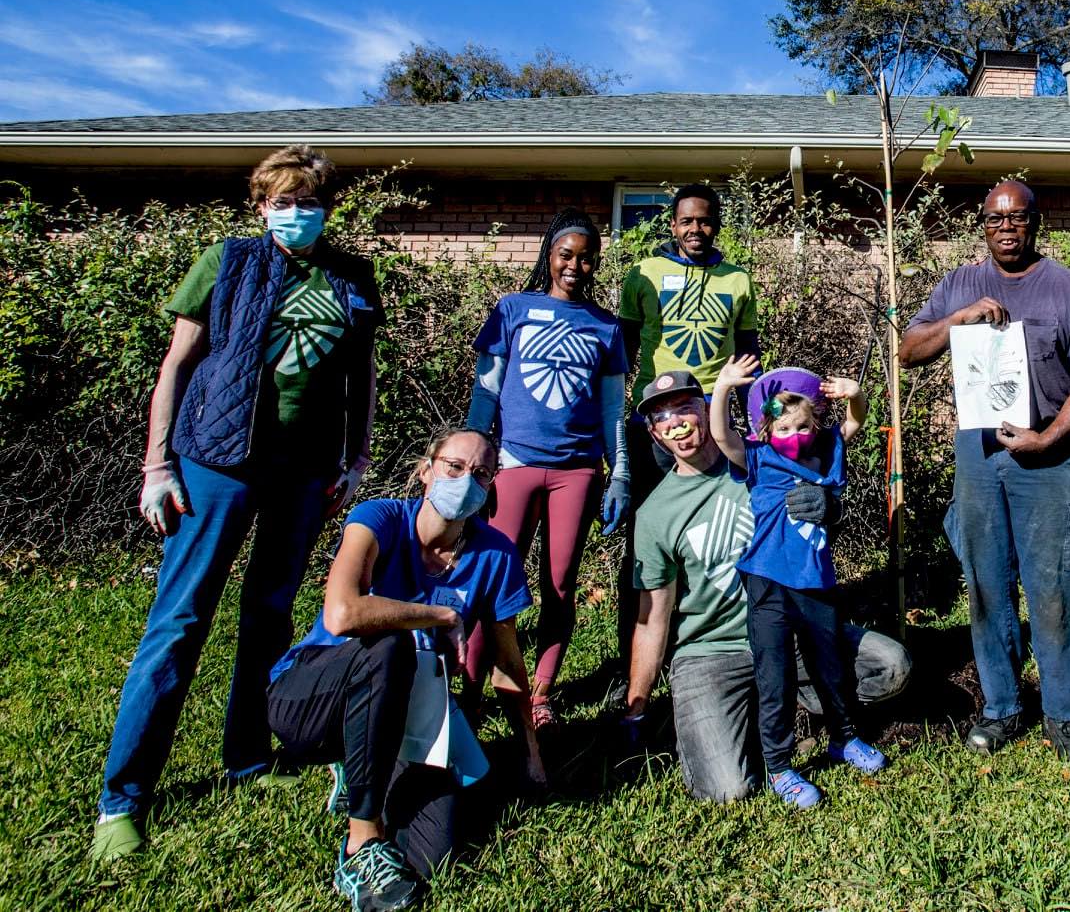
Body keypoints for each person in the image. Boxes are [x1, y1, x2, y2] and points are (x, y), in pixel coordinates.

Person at [92, 144, 382, 861]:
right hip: (215, 460)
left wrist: (357, 455)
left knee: (269, 614)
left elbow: (362, 377)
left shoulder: (352, 276)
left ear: (328, 209)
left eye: (307, 201)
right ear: (261, 206)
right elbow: (178, 363)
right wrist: (157, 462)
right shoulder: (227, 263)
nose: (294, 213)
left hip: (305, 469)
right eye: (280, 201)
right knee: (180, 620)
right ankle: (122, 796)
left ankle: (247, 756)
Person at [267, 427, 547, 912]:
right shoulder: (377, 518)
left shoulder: (496, 555)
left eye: (481, 473)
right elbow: (343, 613)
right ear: (426, 470)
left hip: (413, 709)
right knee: (391, 647)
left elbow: (507, 662)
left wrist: (531, 754)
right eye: (454, 467)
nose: (466, 480)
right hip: (310, 698)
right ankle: (361, 843)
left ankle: (362, 772)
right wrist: (440, 615)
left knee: (436, 850)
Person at [900, 180, 1070, 767]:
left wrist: (1049, 436)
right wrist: (961, 318)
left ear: (1034, 223)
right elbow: (909, 348)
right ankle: (1001, 707)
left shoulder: (1066, 290)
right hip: (979, 457)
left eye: (1017, 218)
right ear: (983, 224)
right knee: (987, 585)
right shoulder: (961, 284)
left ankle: (1063, 715)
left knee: (1053, 590)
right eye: (996, 219)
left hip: (1048, 459)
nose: (1006, 228)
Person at [624, 371, 911, 803]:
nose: (677, 422)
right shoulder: (655, 514)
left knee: (891, 665)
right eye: (663, 415)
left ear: (705, 410)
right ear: (653, 431)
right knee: (728, 789)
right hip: (713, 652)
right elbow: (652, 621)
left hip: (794, 630)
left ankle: (811, 719)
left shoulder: (766, 455)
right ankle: (731, 723)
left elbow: (826, 460)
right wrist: (637, 705)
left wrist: (832, 510)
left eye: (686, 407)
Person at [463, 210, 629, 726]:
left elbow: (611, 411)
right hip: (513, 464)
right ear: (549, 256)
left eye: (585, 257)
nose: (575, 265)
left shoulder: (606, 325)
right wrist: (473, 455)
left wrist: (619, 471)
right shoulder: (513, 309)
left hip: (577, 472)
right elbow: (486, 390)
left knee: (560, 582)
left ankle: (540, 693)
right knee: (491, 577)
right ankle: (468, 690)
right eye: (566, 255)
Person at [710, 356, 886, 807]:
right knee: (776, 675)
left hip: (818, 580)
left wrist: (856, 394)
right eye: (783, 430)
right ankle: (780, 767)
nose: (794, 437)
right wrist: (724, 388)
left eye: (801, 427)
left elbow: (855, 422)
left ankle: (844, 738)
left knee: (831, 667)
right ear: (767, 432)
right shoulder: (757, 458)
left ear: (815, 423)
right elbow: (720, 435)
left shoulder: (827, 449)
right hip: (767, 582)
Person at [613, 184, 760, 679]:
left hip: (714, 429)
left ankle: (704, 647)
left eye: (705, 221)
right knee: (647, 546)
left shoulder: (737, 280)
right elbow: (623, 355)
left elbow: (748, 361)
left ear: (717, 224)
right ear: (671, 225)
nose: (696, 230)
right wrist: (615, 426)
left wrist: (755, 426)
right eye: (686, 221)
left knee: (716, 539)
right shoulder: (644, 275)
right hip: (653, 429)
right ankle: (633, 665)